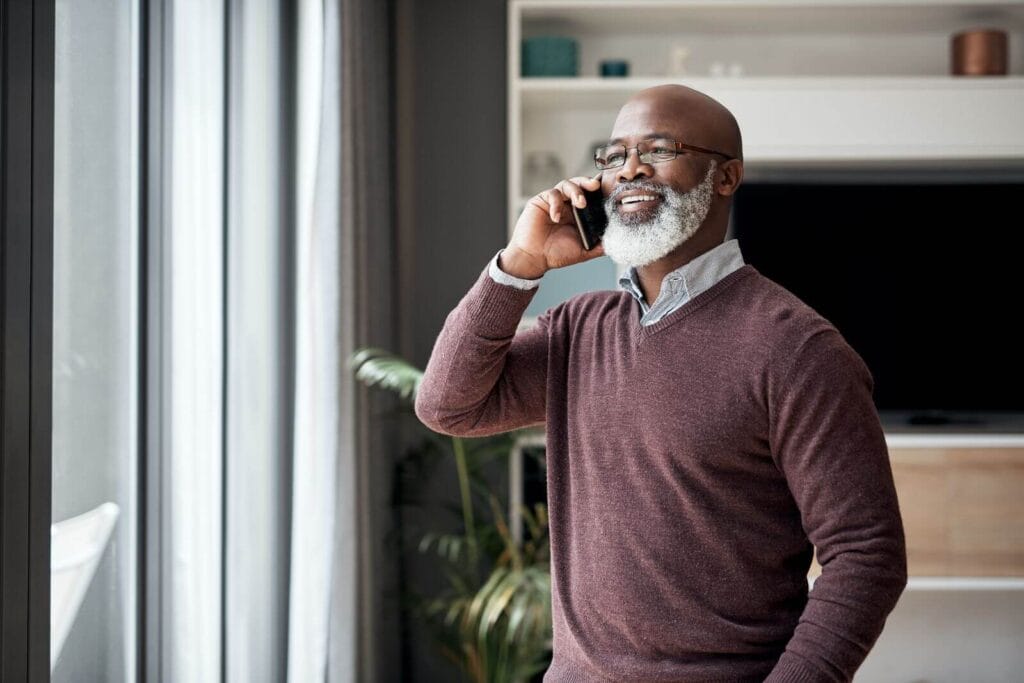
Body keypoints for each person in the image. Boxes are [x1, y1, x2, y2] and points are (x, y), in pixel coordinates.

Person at [415, 84, 907, 683]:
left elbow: (867, 557)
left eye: (659, 149)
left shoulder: (798, 350)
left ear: (726, 177)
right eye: (615, 155)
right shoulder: (578, 329)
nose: (631, 169)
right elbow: (448, 406)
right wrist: (519, 264)